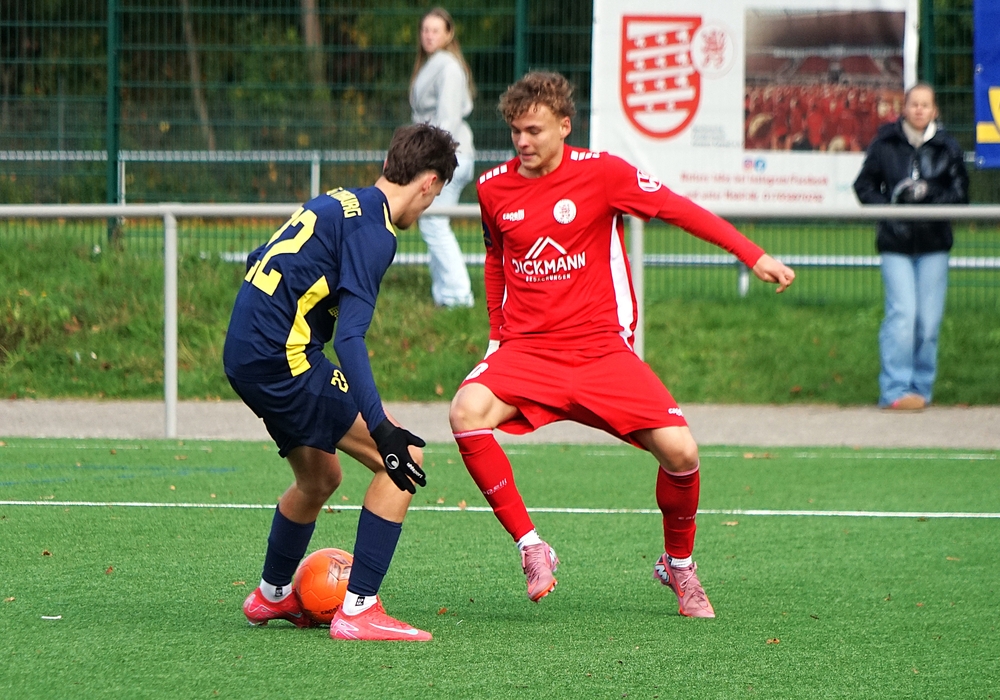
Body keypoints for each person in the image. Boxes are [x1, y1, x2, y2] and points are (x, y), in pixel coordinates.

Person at [448, 72, 795, 618]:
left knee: (682, 453)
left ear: (565, 126)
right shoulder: (493, 188)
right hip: (528, 352)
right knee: (465, 412)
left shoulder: (603, 173)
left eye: (534, 130)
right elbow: (496, 260)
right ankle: (532, 547)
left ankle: (679, 565)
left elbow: (679, 209)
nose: (522, 142)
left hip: (600, 351)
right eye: (515, 131)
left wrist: (752, 255)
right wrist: (497, 335)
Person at [224, 123, 458, 641]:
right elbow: (350, 338)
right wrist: (382, 429)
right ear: (428, 183)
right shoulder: (377, 232)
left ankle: (271, 596)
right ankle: (359, 609)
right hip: (282, 358)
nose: (428, 206)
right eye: (436, 194)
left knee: (320, 479)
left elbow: (260, 256)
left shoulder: (340, 200)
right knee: (404, 459)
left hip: (245, 352)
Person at [853, 82, 969, 411]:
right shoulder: (885, 143)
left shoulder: (947, 147)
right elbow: (863, 186)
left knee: (928, 322)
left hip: (934, 243)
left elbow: (961, 194)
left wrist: (929, 194)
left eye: (925, 105)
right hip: (895, 242)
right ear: (904, 108)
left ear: (934, 111)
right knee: (903, 315)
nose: (919, 110)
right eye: (914, 104)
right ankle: (895, 390)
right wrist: (891, 209)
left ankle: (921, 389)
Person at [409, 7, 476, 308]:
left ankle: (458, 294)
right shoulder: (434, 64)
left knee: (433, 222)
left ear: (448, 34)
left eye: (436, 30)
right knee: (433, 221)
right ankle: (444, 296)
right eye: (425, 30)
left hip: (449, 155)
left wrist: (431, 160)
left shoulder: (447, 67)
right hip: (442, 154)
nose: (429, 35)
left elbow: (447, 121)